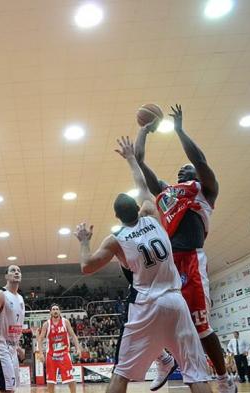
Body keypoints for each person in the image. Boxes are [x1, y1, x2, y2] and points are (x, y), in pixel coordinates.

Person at [73, 136, 211, 393]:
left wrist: (84, 241)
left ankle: (163, 360)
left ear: (117, 217)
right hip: (175, 300)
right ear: (138, 207)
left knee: (121, 372)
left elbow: (87, 267)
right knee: (195, 374)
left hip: (146, 304)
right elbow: (140, 184)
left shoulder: (116, 239)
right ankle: (166, 361)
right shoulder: (152, 214)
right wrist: (130, 158)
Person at [134, 105, 235, 393]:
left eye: (187, 169)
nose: (182, 169)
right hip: (168, 264)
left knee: (202, 327)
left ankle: (224, 379)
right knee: (147, 315)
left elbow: (199, 159)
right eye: (180, 170)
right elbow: (140, 162)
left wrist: (178, 130)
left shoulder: (206, 190)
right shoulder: (166, 193)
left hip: (191, 259)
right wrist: (144, 129)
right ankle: (164, 359)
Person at [35, 304, 82, 393]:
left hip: (64, 355)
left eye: (57, 309)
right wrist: (40, 353)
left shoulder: (65, 322)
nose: (55, 311)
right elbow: (40, 339)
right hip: (51, 356)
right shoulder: (46, 324)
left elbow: (73, 336)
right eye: (53, 309)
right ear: (50, 312)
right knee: (50, 381)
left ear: (60, 311)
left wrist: (78, 349)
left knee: (70, 379)